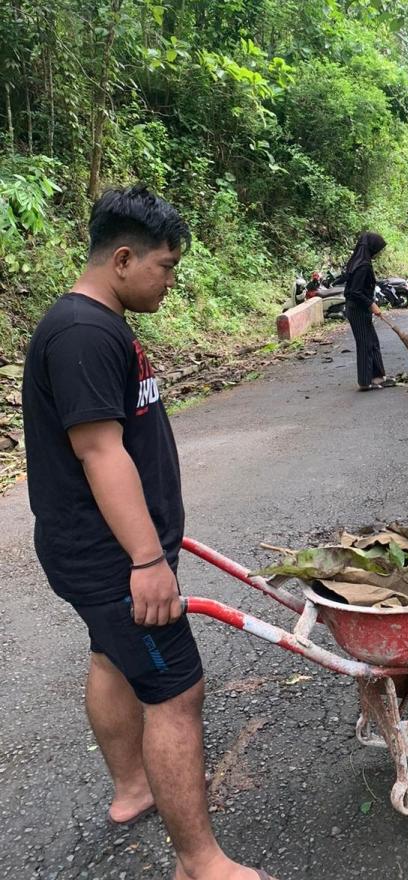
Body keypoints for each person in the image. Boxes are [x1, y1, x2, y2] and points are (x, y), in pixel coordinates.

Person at [22, 185, 276, 880]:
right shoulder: (82, 335)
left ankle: (133, 789)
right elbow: (100, 453)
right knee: (176, 692)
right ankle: (201, 863)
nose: (170, 281)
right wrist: (145, 560)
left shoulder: (97, 324)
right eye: (166, 267)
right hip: (109, 556)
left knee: (112, 657)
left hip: (97, 550)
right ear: (124, 258)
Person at [343, 232, 395, 391]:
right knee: (365, 344)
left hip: (359, 308)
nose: (378, 253)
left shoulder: (357, 261)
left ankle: (378, 377)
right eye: (378, 249)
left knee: (372, 342)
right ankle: (365, 381)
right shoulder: (363, 265)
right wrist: (371, 304)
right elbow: (354, 292)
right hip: (357, 309)